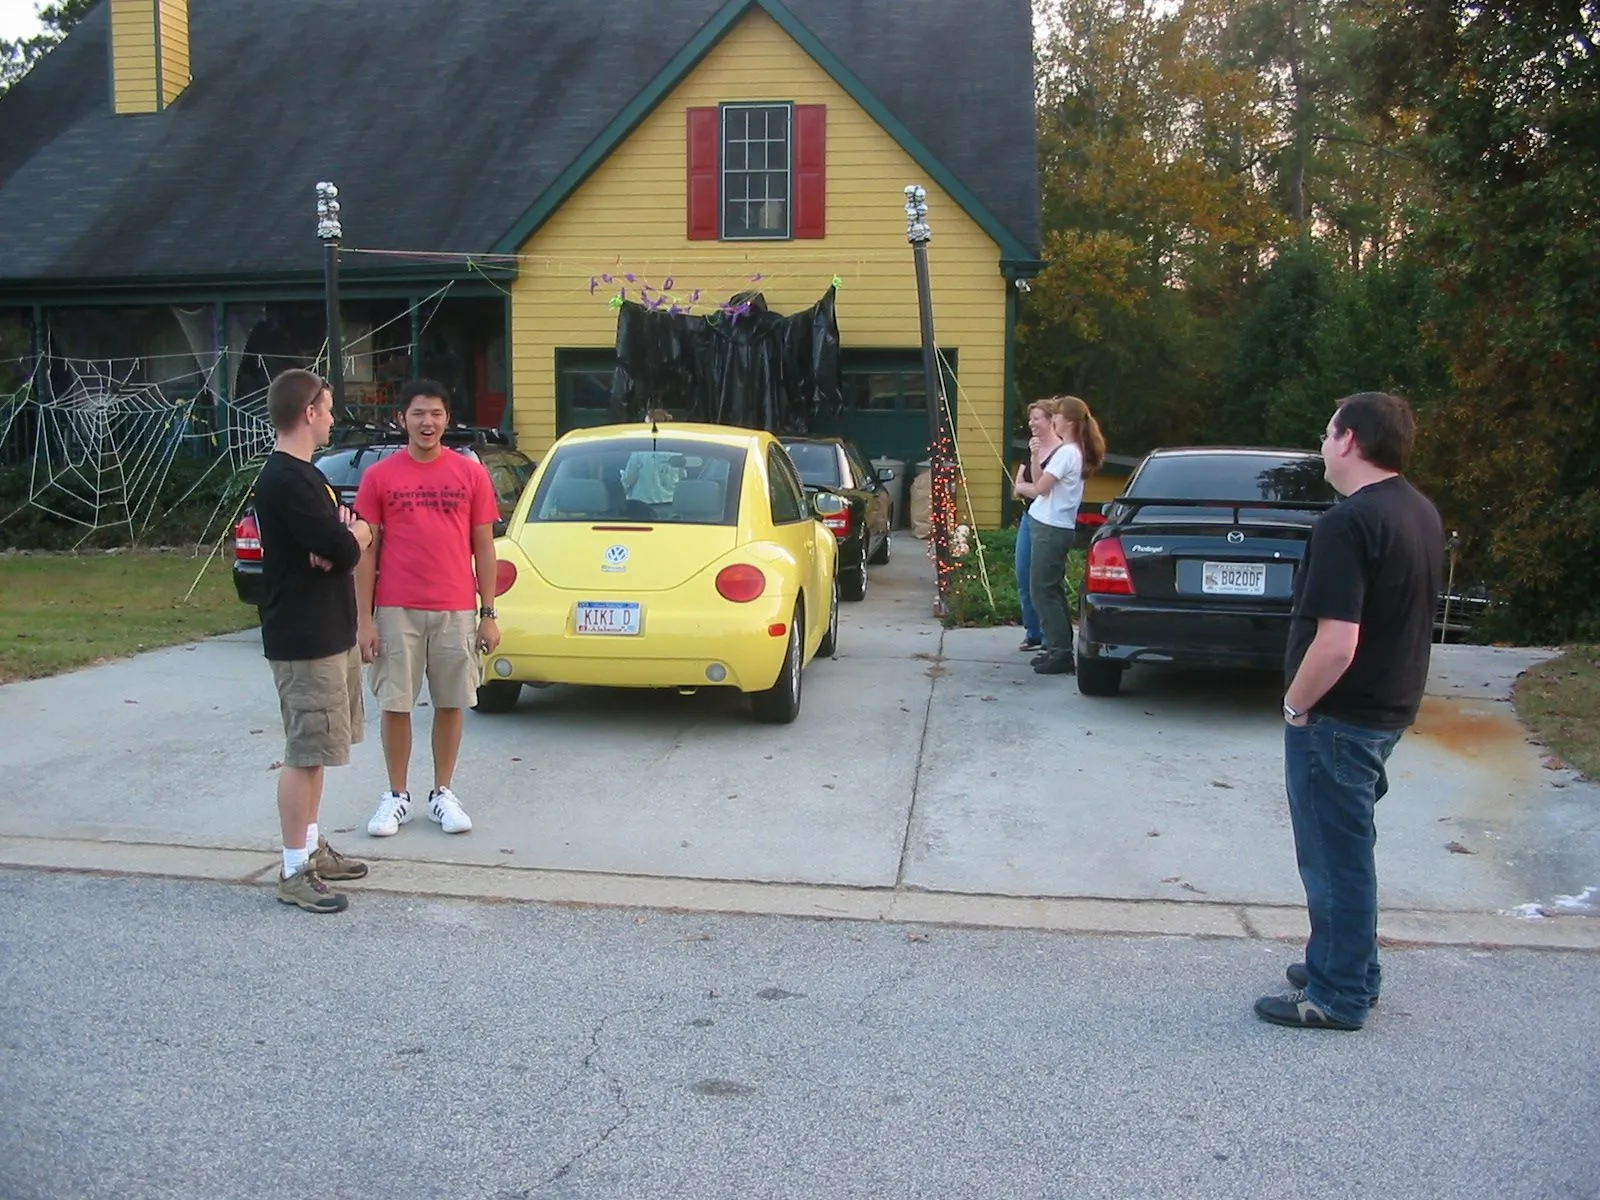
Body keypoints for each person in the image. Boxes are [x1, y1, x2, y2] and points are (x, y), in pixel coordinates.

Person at [1256, 391, 1443, 1031]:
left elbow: (1337, 643)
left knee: (1333, 857)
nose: (1322, 445)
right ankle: (1350, 967)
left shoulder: (1347, 523)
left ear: (1351, 440)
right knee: (1350, 847)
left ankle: (1336, 994)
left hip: (1340, 717)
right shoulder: (1416, 510)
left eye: (1327, 433)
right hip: (1386, 710)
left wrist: (1295, 705)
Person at [355, 380, 501, 838]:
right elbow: (366, 551)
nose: (427, 422)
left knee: (451, 701)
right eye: (418, 413)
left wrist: (488, 613)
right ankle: (397, 795)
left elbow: (484, 546)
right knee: (395, 703)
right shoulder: (379, 476)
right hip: (396, 607)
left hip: (456, 607)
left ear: (447, 419)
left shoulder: (470, 474)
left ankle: (443, 793)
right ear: (402, 419)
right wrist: (364, 620)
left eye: (436, 413)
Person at [253, 368, 375, 913]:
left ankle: (311, 845)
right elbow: (344, 547)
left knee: (320, 751)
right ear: (308, 413)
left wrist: (349, 534)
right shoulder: (284, 480)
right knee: (303, 754)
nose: (331, 418)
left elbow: (346, 538)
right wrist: (351, 537)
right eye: (326, 408)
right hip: (304, 639)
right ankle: (292, 869)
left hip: (331, 631)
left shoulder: (310, 476)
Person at [1012, 395, 1106, 676]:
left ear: (1070, 421)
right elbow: (1040, 477)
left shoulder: (1068, 453)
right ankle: (1057, 648)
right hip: (1049, 524)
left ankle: (1061, 652)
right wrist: (1034, 458)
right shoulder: (1070, 451)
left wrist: (1021, 487)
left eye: (1058, 416)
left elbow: (1040, 488)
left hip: (1051, 528)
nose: (1054, 419)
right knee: (1048, 589)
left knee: (1043, 590)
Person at [1011, 402, 1061, 653]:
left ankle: (1051, 636)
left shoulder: (1062, 452)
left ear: (1051, 420)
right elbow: (1017, 487)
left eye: (1036, 418)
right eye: (1030, 419)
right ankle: (1033, 633)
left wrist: (1032, 489)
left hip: (1049, 522)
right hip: (1029, 517)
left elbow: (1042, 489)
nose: (1031, 423)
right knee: (1023, 575)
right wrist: (1030, 487)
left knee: (1043, 582)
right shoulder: (1030, 448)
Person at [622, 408, 682, 506]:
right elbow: (681, 478)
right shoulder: (677, 453)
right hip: (670, 505)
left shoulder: (640, 452)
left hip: (641, 506)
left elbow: (628, 479)